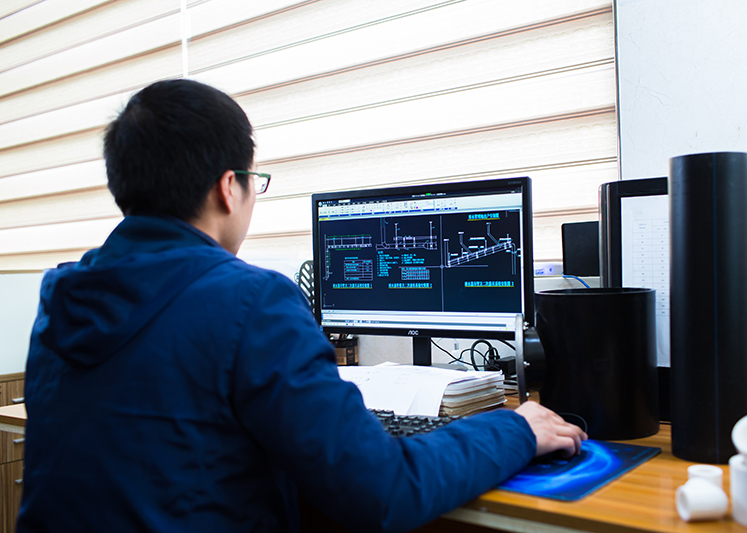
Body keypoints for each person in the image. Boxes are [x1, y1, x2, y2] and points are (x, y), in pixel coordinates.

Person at [17, 79, 586, 533]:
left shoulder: (62, 299)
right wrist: (514, 430)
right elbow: (384, 492)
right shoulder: (250, 302)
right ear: (228, 188)